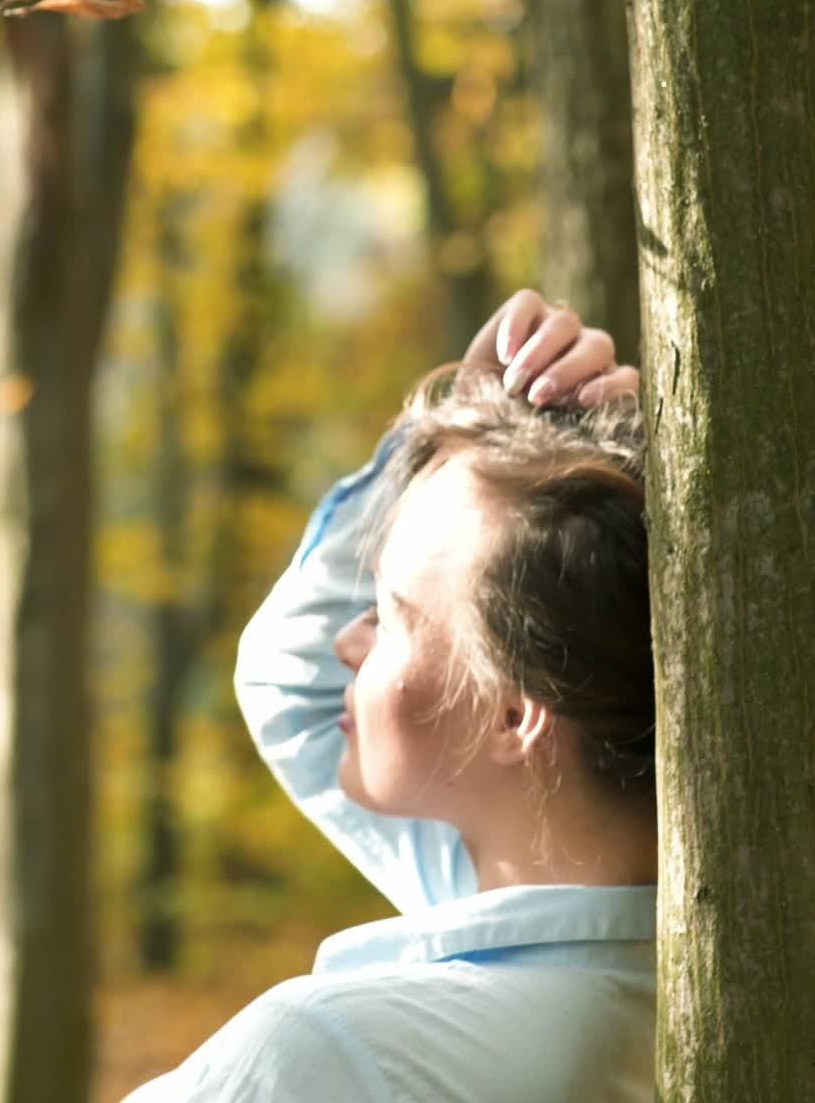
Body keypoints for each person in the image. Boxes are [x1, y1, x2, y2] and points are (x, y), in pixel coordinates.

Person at [123, 290, 656, 1103]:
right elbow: (294, 687)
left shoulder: (332, 1057)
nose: (346, 642)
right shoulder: (688, 971)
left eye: (391, 615)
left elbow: (295, 683)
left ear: (517, 714)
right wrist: (469, 433)